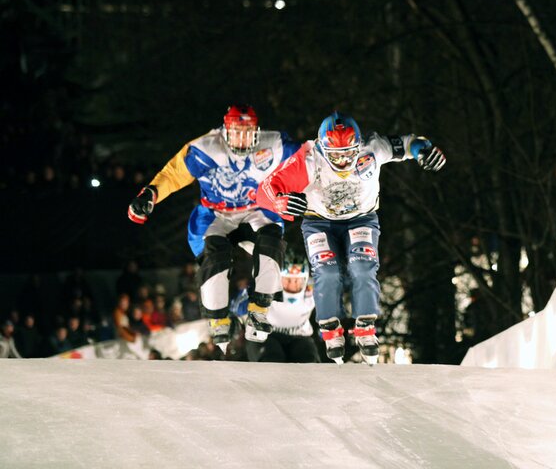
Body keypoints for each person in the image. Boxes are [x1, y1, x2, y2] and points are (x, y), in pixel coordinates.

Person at [256, 111, 445, 364]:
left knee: (363, 265)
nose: (343, 162)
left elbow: (408, 143)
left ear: (358, 146)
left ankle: (366, 326)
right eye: (336, 156)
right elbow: (267, 187)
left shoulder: (372, 149)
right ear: (324, 149)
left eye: (348, 153)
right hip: (319, 222)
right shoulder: (310, 160)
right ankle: (330, 328)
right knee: (327, 270)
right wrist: (279, 202)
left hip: (361, 219)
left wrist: (425, 150)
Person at [127, 104, 301, 352]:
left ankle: (260, 308)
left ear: (256, 131)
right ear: (225, 131)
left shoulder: (272, 144)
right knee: (215, 253)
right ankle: (218, 317)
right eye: (237, 133)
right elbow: (175, 173)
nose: (242, 140)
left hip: (255, 209)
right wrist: (150, 194)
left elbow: (306, 160)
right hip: (216, 214)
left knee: (272, 239)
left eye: (247, 133)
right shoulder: (207, 148)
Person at [245, 260, 320, 363]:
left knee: (308, 362)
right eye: (287, 279)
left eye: (296, 280)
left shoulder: (314, 290)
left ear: (305, 280)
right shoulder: (267, 287)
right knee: (271, 361)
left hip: (300, 336)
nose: (292, 284)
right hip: (266, 335)